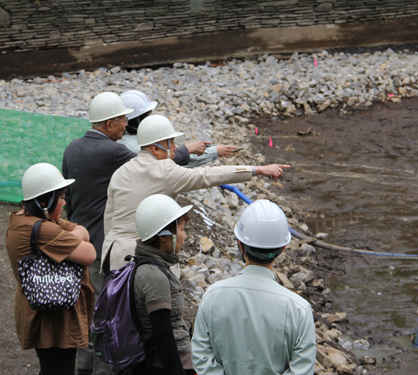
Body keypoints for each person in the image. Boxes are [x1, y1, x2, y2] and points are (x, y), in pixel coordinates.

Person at [61, 92, 192, 375]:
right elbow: (150, 164)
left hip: (78, 244)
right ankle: (105, 369)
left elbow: (68, 199)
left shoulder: (72, 148)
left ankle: (84, 369)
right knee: (109, 316)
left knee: (88, 311)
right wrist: (187, 150)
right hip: (101, 250)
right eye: (122, 119)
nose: (125, 124)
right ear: (109, 124)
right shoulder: (115, 153)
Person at [101, 114, 290, 272]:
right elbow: (207, 174)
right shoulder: (165, 170)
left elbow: (109, 217)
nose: (176, 147)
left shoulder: (121, 171)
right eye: (171, 142)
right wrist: (257, 169)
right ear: (156, 149)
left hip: (111, 253)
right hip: (138, 259)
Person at [191, 200, 316, 375]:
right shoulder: (299, 310)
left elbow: (201, 358)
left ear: (240, 245)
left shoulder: (212, 296)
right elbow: (301, 371)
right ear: (283, 248)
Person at [5, 163, 97, 375]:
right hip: (53, 316)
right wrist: (64, 242)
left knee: (52, 368)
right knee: (59, 369)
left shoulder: (26, 218)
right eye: (62, 197)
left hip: (43, 305)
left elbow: (80, 230)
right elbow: (89, 253)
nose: (65, 203)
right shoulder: (43, 229)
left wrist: (63, 242)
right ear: (45, 200)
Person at [129, 194, 195, 375]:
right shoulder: (153, 274)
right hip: (166, 366)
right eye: (181, 229)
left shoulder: (155, 267)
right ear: (164, 237)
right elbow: (163, 332)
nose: (185, 235)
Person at [119, 89, 237, 166]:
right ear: (135, 120)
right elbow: (171, 160)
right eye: (147, 115)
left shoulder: (129, 138)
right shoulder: (132, 147)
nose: (151, 118)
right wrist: (193, 149)